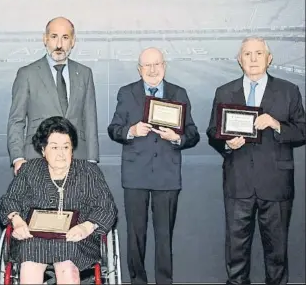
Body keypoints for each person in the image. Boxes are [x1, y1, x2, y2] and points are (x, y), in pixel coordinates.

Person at [206, 37, 305, 285]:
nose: (252, 59)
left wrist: (276, 124)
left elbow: (302, 131)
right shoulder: (224, 91)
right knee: (236, 256)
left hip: (276, 183)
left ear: (268, 58)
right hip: (238, 183)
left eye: (258, 53)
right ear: (239, 60)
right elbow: (212, 132)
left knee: (277, 256)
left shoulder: (289, 90)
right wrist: (226, 143)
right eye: (247, 54)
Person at [107, 47, 200, 284]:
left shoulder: (179, 93)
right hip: (135, 175)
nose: (152, 69)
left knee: (164, 237)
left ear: (164, 66)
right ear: (139, 69)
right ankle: (138, 281)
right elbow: (114, 129)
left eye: (156, 64)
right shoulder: (126, 93)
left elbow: (193, 133)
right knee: (136, 236)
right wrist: (131, 131)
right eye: (147, 65)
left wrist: (177, 138)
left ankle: (164, 281)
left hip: (167, 176)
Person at [0, 116, 117, 284]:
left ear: (72, 149)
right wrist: (17, 221)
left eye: (66, 147)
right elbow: (10, 199)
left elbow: (106, 207)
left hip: (75, 237)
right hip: (34, 238)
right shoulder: (30, 170)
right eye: (54, 147)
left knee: (67, 267)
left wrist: (86, 227)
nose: (61, 153)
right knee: (29, 265)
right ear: (43, 150)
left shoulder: (88, 171)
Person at [7, 16, 99, 175]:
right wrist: (18, 158)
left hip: (78, 159)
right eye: (54, 37)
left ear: (73, 41)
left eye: (65, 38)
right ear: (45, 39)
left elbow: (90, 120)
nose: (59, 45)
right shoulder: (26, 74)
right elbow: (16, 120)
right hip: (36, 158)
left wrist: (91, 160)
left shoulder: (85, 74)